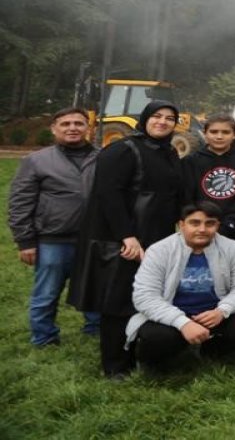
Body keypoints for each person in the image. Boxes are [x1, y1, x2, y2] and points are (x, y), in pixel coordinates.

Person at [69, 100, 183, 379]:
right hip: (125, 238)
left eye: (170, 118)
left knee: (150, 297)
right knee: (118, 301)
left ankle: (144, 355)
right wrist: (127, 236)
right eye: (157, 116)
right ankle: (115, 365)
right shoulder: (122, 150)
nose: (163, 122)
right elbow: (108, 195)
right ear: (144, 119)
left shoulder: (169, 152)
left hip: (158, 237)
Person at [127, 202, 235, 369]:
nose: (202, 229)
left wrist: (222, 311)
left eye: (210, 223)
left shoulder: (233, 248)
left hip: (213, 313)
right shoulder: (159, 250)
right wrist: (182, 322)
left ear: (217, 226)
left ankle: (211, 350)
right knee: (157, 338)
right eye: (195, 223)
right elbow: (145, 296)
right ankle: (156, 361)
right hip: (172, 315)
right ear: (181, 225)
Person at [8, 107, 100, 347]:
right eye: (66, 124)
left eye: (79, 124)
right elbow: (20, 202)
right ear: (54, 129)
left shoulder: (102, 158)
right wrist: (25, 241)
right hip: (53, 239)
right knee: (47, 292)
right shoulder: (36, 160)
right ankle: (44, 336)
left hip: (92, 238)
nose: (72, 128)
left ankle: (96, 329)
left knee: (93, 287)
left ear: (88, 128)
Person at [182, 114, 235, 267]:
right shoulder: (191, 161)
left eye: (225, 132)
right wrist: (204, 225)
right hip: (202, 230)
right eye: (214, 132)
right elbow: (188, 196)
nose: (219, 136)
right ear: (205, 133)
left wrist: (229, 224)